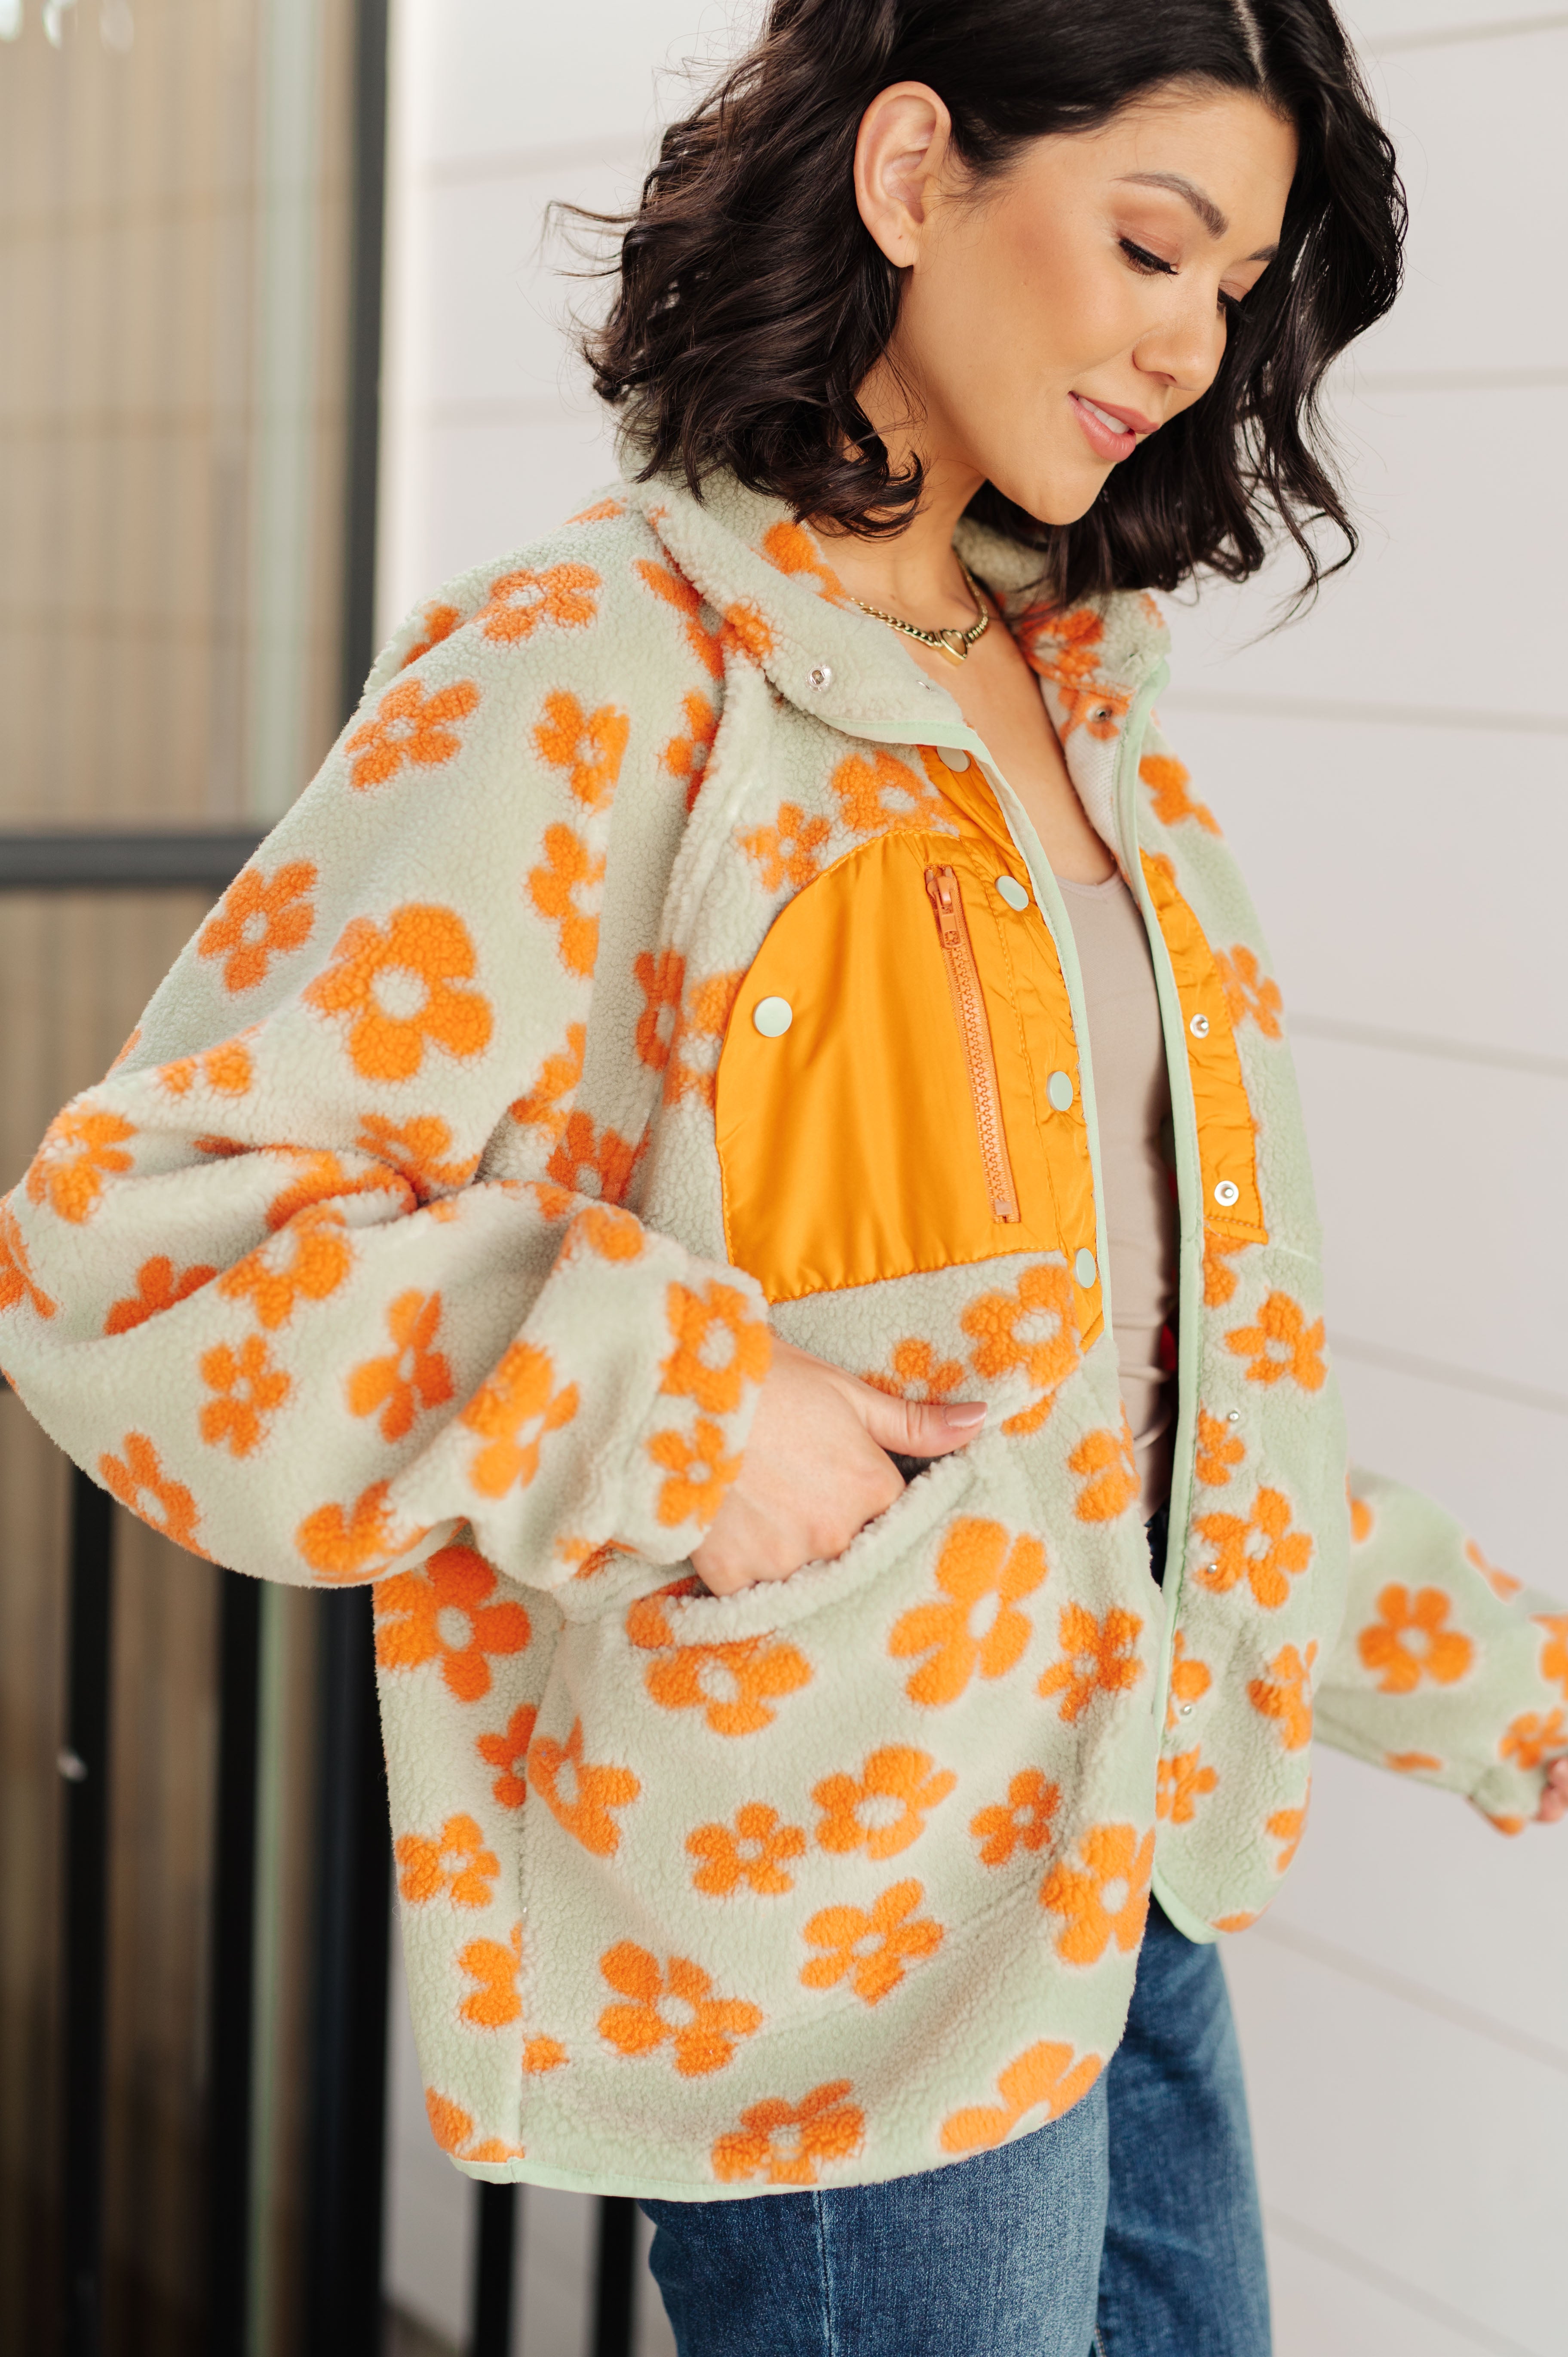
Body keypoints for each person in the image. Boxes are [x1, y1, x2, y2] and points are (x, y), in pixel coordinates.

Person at [4, 2, 1564, 2350]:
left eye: (1234, 288)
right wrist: (688, 1412)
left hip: (1141, 1895)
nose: (1188, 338)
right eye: (1154, 241)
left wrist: (1518, 1693)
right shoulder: (595, 671)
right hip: (842, 1996)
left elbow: (1159, 1399)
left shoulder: (1087, 698)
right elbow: (133, 1259)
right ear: (919, 169)